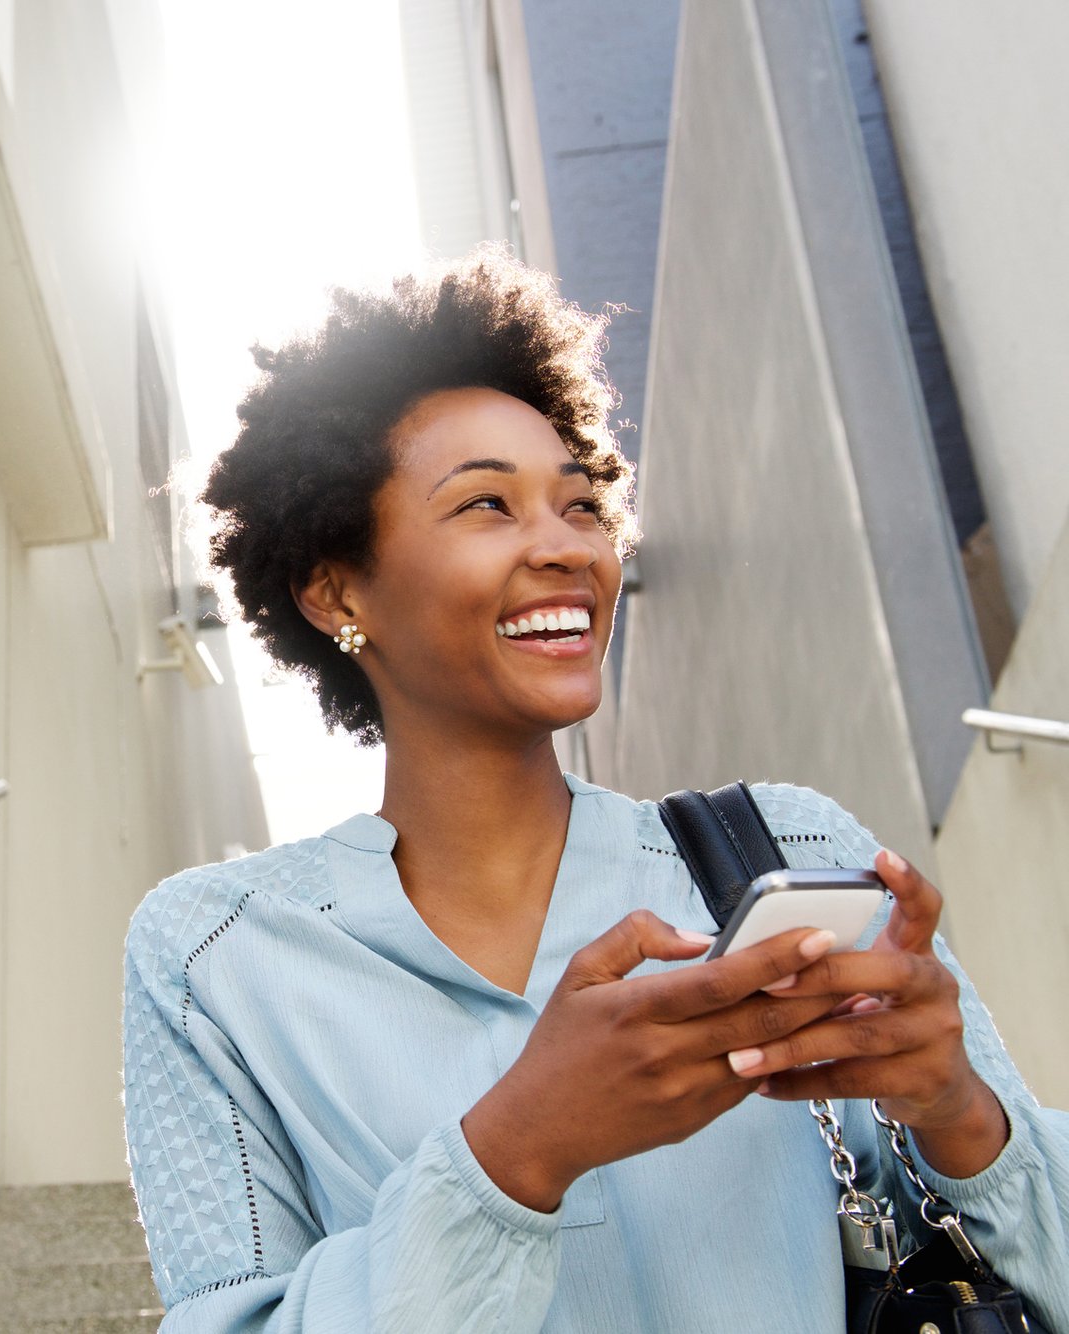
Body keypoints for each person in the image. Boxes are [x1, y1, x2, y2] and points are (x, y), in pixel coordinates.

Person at [120, 245, 1069, 1332]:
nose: (565, 548)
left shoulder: (784, 845)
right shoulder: (213, 955)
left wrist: (952, 1110)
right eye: (486, 506)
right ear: (337, 588)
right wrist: (522, 1145)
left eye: (578, 507)